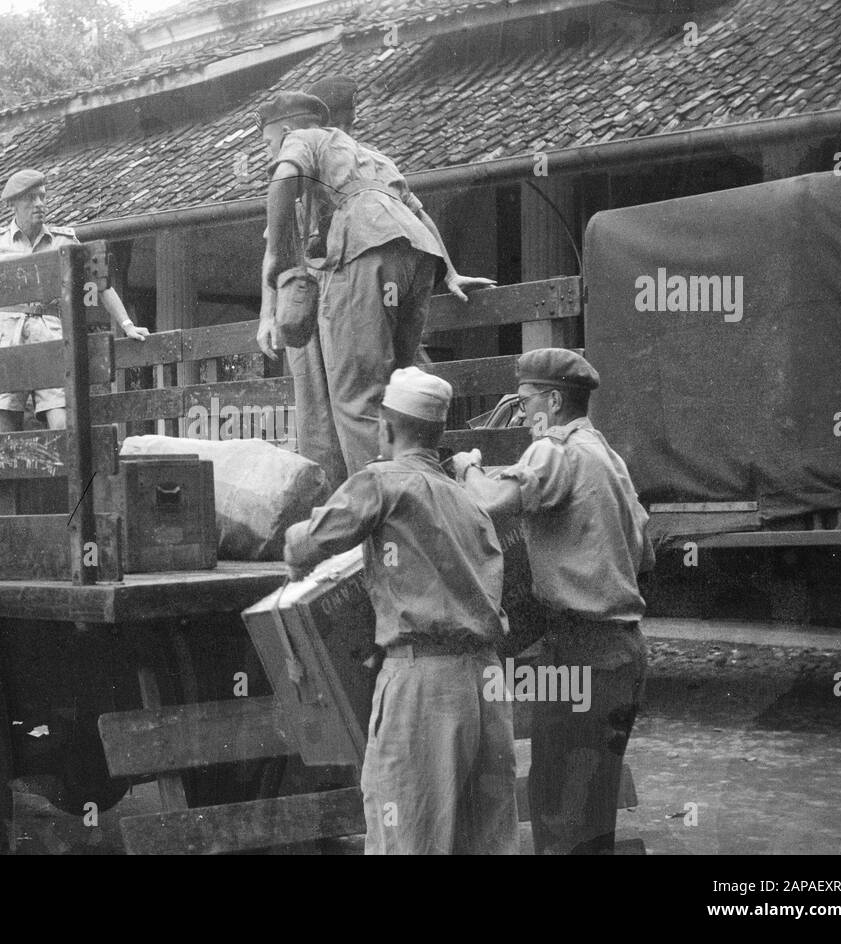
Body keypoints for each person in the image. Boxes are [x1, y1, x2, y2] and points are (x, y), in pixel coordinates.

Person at [284, 367, 517, 855]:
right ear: (438, 435)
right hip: (487, 683)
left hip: (423, 684)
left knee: (406, 833)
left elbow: (306, 546)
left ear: (386, 429)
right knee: (484, 842)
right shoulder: (469, 499)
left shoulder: (382, 481)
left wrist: (292, 539)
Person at [454, 348, 653, 854]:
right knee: (592, 817)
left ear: (555, 401)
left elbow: (490, 503)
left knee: (560, 811)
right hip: (624, 652)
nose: (522, 415)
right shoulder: (609, 458)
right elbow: (644, 554)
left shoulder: (554, 450)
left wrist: (469, 467)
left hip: (580, 650)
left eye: (525, 402)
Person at [256, 89, 493, 479]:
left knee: (357, 399)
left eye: (268, 144)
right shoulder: (371, 157)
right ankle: (428, 492)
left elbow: (283, 175)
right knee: (400, 391)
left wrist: (273, 259)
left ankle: (382, 512)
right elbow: (419, 213)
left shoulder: (304, 139)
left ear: (284, 132)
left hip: (367, 254)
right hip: (418, 258)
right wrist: (449, 271)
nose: (270, 154)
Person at [0, 168, 149, 432]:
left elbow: (101, 283)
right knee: (7, 424)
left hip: (50, 331)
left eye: (42, 196)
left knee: (61, 420)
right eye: (30, 198)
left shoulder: (65, 240)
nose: (39, 204)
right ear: (13, 204)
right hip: (5, 335)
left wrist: (127, 324)